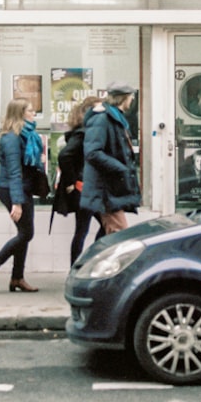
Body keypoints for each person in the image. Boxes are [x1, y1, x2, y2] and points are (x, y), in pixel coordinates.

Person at [0, 98, 42, 293]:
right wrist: (17, 202)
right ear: (20, 114)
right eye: (30, 110)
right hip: (12, 189)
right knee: (26, 233)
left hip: (21, 188)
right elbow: (15, 171)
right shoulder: (11, 139)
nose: (34, 114)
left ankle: (17, 278)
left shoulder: (25, 135)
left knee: (24, 233)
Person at [81, 81, 141, 235]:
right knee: (119, 235)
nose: (132, 100)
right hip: (105, 191)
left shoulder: (115, 118)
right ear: (124, 98)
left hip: (111, 190)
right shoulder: (102, 119)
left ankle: (97, 259)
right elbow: (92, 152)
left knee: (108, 236)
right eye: (131, 97)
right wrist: (121, 168)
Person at [57, 96, 106, 265]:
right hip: (84, 187)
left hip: (87, 187)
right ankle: (82, 265)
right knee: (90, 229)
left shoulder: (87, 131)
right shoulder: (83, 132)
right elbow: (64, 156)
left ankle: (79, 266)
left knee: (87, 229)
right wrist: (71, 182)